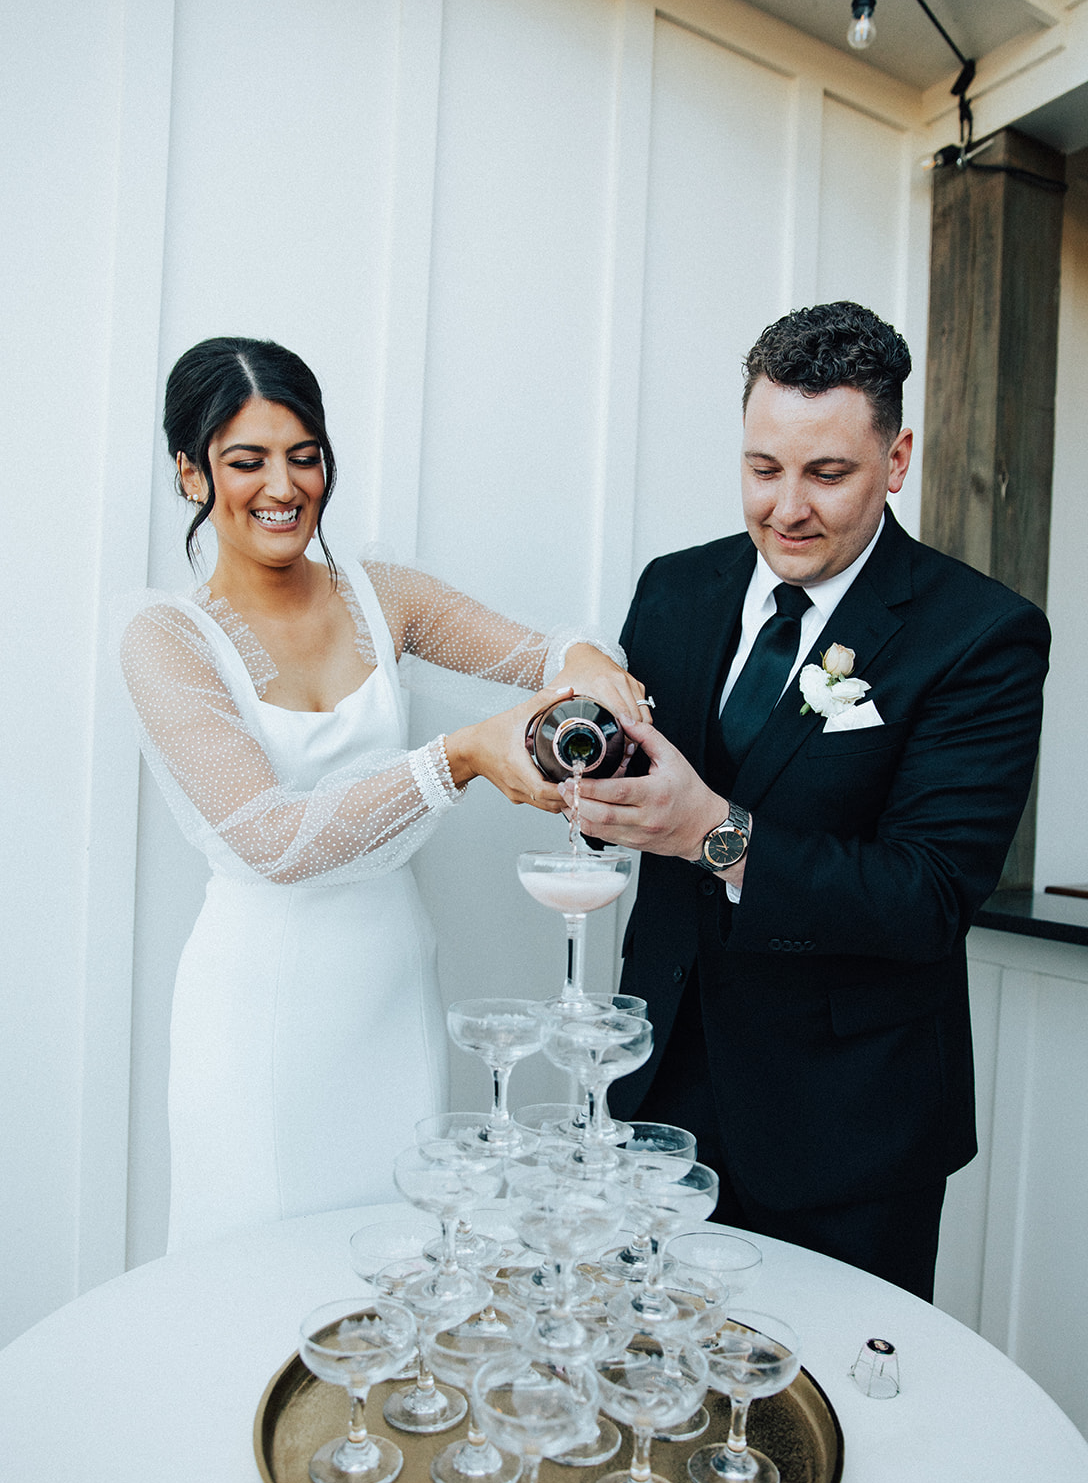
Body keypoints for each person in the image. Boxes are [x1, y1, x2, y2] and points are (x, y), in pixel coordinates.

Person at [566, 301, 1050, 1300]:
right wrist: (585, 784)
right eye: (761, 468)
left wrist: (713, 832)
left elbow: (925, 895)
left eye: (825, 473)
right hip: (653, 1092)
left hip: (845, 1131)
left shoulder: (979, 634)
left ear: (896, 456)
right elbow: (647, 784)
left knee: (819, 1425)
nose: (785, 507)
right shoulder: (674, 589)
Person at [118, 335, 646, 1251]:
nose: (283, 487)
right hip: (259, 1013)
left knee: (398, 1267)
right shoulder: (165, 638)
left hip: (390, 983)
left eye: (305, 455)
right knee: (252, 1277)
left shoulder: (384, 594)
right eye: (246, 461)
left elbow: (537, 652)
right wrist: (461, 757)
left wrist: (588, 662)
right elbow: (272, 839)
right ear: (190, 474)